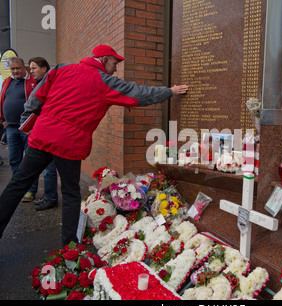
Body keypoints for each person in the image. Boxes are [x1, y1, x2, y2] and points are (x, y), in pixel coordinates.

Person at [0, 44, 188, 246]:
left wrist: (26, 122)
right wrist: (169, 91)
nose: (115, 69)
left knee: (17, 185)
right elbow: (138, 94)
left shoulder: (59, 69)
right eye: (114, 63)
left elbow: (36, 98)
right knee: (71, 194)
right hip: (69, 143)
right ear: (104, 60)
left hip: (42, 136)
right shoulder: (104, 81)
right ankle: (69, 249)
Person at [0, 57, 37, 202]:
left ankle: (31, 190)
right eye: (12, 69)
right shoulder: (7, 82)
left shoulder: (32, 82)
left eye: (18, 68)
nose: (15, 71)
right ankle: (19, 188)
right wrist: (3, 119)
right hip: (10, 127)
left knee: (29, 161)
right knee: (14, 160)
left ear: (24, 67)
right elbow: (3, 100)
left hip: (27, 128)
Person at [28, 57, 58, 211]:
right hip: (42, 132)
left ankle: (51, 198)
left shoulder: (49, 83)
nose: (31, 71)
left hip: (50, 133)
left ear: (44, 68)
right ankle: (48, 196)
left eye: (34, 68)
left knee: (49, 169)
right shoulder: (40, 83)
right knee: (46, 169)